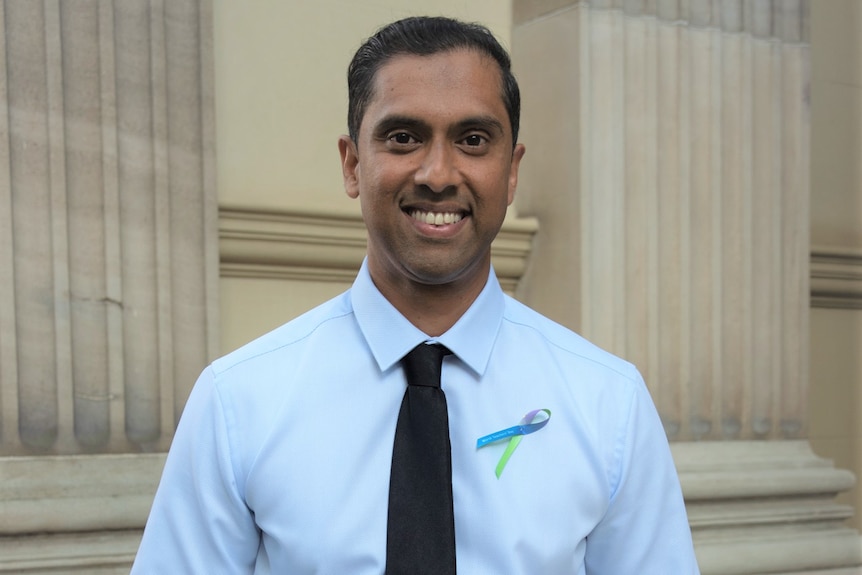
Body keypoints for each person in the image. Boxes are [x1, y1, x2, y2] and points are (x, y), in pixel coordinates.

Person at [131, 15, 700, 574]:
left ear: (511, 172)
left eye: (473, 140)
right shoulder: (239, 402)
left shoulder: (608, 405)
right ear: (353, 164)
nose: (437, 172)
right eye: (403, 137)